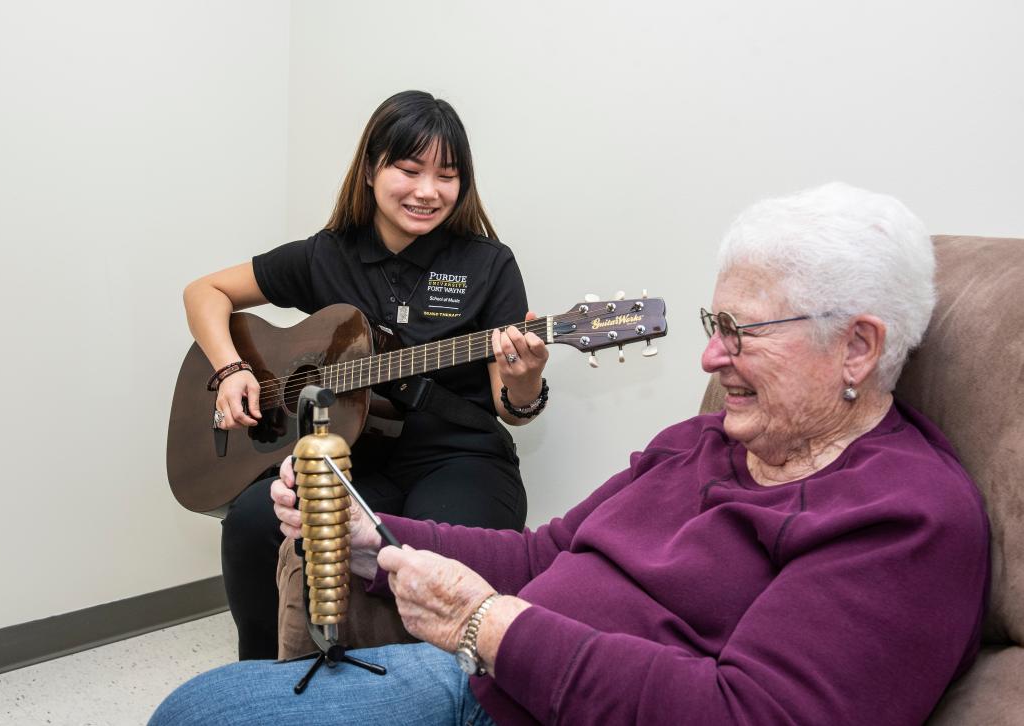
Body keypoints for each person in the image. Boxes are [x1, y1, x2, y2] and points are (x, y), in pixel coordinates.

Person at [154, 183, 989, 725]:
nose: (709, 358)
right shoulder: (699, 442)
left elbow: (748, 715)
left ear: (856, 347)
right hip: (487, 676)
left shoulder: (903, 518)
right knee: (199, 705)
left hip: (511, 690)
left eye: (739, 332)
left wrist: (486, 626)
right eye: (712, 326)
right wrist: (379, 541)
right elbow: (542, 553)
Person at [182, 90, 550, 660]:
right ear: (373, 167)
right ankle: (261, 682)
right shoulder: (326, 256)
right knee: (254, 520)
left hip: (459, 456)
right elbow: (203, 291)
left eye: (447, 176)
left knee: (440, 552)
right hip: (352, 456)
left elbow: (512, 405)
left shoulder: (488, 263)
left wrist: (525, 379)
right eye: (409, 170)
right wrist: (231, 369)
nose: (428, 191)